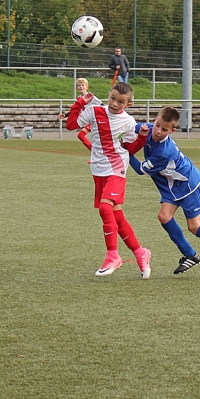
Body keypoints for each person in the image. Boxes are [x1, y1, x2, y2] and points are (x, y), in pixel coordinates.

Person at [129, 106, 200, 280]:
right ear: (155, 120)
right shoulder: (150, 128)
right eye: (157, 125)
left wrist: (124, 152)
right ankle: (190, 254)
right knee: (164, 217)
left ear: (172, 131)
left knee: (194, 227)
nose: (158, 131)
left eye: (164, 129)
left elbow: (140, 170)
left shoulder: (163, 151)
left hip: (189, 184)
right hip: (174, 185)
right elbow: (132, 125)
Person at [65, 82, 151, 278]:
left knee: (105, 208)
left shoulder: (128, 122)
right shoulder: (95, 111)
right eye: (112, 98)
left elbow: (130, 148)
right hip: (98, 169)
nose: (114, 104)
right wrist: (80, 102)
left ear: (128, 104)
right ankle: (140, 252)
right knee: (116, 215)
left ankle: (113, 256)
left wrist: (142, 137)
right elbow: (71, 125)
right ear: (108, 95)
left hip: (117, 168)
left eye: (120, 102)